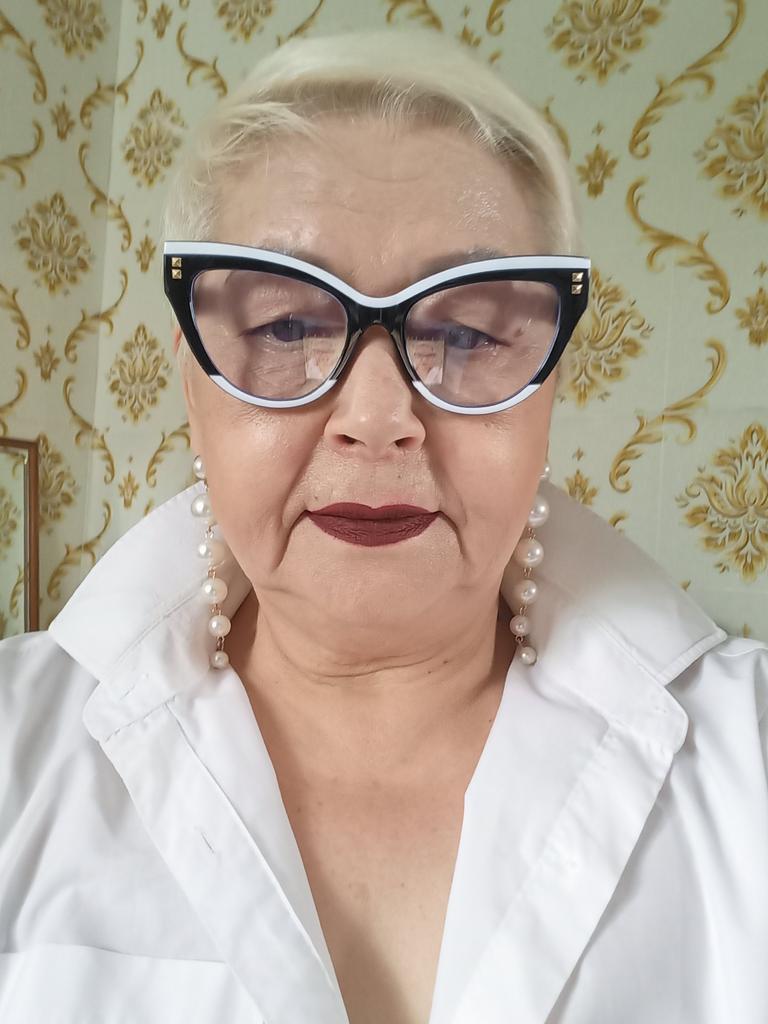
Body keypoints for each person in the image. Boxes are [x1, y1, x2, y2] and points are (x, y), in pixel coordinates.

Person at [1, 27, 766, 1024]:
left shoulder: (748, 757)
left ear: (549, 391)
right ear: (194, 386)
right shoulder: (17, 747)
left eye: (469, 333)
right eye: (285, 326)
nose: (376, 418)